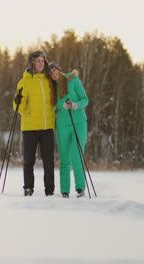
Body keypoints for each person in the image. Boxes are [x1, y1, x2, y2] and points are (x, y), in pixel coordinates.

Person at [13, 51, 56, 196]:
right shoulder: (24, 82)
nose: (41, 63)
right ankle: (28, 188)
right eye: (38, 61)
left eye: (43, 61)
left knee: (49, 161)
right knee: (29, 160)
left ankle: (49, 190)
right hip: (30, 127)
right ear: (32, 63)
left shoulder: (48, 80)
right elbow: (18, 108)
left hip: (47, 127)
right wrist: (18, 102)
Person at [49, 61, 89, 198]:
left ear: (60, 70)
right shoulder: (52, 88)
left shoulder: (73, 80)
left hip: (79, 123)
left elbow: (85, 99)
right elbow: (53, 107)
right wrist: (60, 107)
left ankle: (80, 188)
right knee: (64, 159)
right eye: (51, 73)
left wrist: (75, 105)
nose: (54, 74)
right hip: (62, 125)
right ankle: (64, 191)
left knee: (77, 156)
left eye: (55, 71)